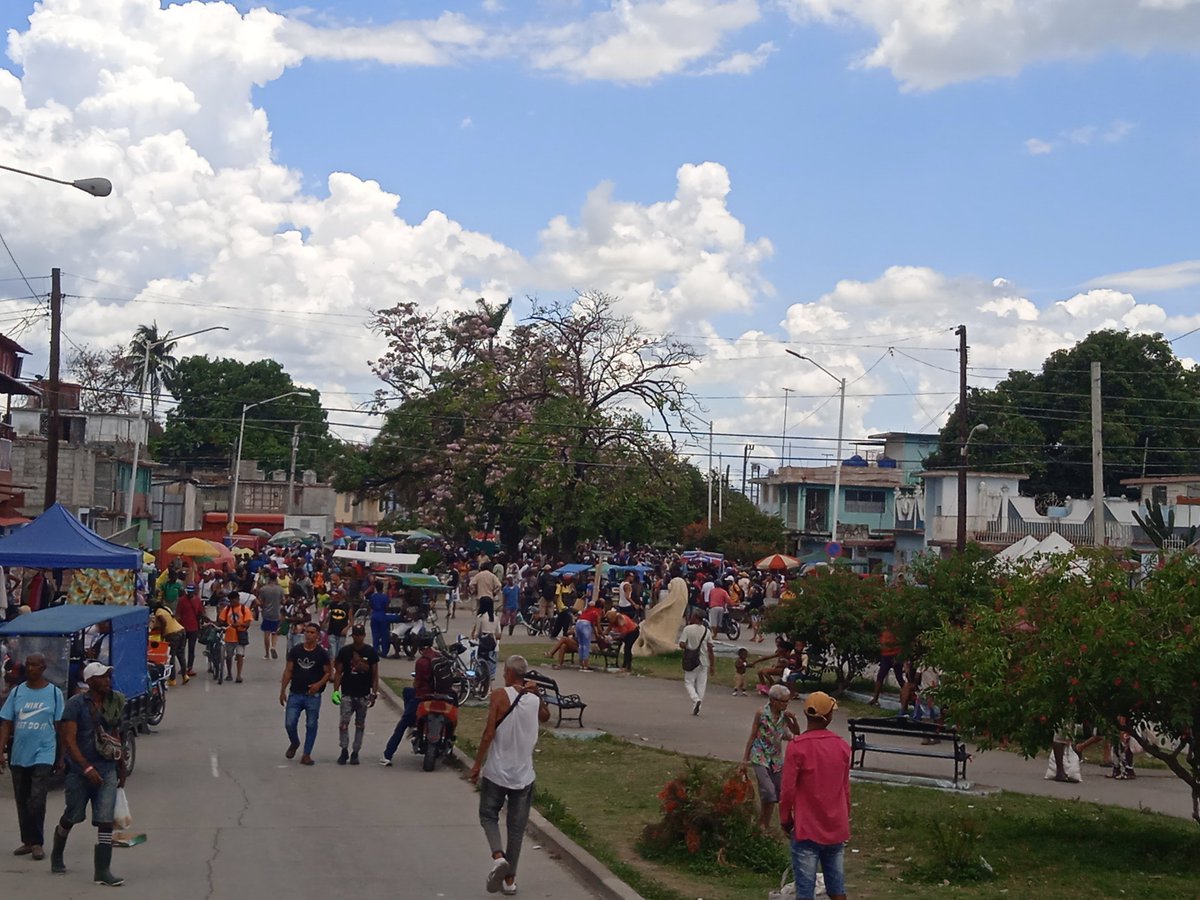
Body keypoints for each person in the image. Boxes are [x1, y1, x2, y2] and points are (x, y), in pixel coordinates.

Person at [468, 655, 550, 896]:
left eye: (505, 672)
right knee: (516, 827)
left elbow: (488, 733)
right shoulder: (534, 699)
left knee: (487, 814)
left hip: (496, 772)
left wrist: (476, 765)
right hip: (524, 775)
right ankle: (510, 880)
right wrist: (538, 695)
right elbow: (546, 717)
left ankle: (497, 857)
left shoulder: (499, 696)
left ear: (510, 673)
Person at [53, 661, 126, 885]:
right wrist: (86, 768)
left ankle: (102, 871)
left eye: (108, 677)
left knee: (105, 819)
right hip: (79, 771)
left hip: (106, 769)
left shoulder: (113, 702)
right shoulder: (76, 704)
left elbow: (115, 735)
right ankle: (57, 853)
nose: (107, 681)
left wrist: (121, 766)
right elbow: (69, 740)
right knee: (72, 815)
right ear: (91, 681)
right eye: (102, 677)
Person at [779, 691, 851, 900]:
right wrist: (846, 815)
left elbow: (788, 790)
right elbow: (845, 788)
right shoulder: (842, 746)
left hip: (806, 828)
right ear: (828, 717)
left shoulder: (797, 747)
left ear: (806, 715)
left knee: (805, 890)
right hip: (836, 826)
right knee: (837, 888)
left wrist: (785, 819)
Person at [0, 653, 64, 861]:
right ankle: (27, 841)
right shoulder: (17, 692)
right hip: (19, 754)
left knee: (37, 799)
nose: (30, 668)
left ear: (43, 667)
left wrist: (61, 757)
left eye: (35, 665)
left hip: (44, 752)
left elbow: (60, 727)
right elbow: (6, 723)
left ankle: (37, 843)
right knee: (22, 799)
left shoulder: (54, 693)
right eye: (28, 665)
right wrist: (1, 750)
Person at [740, 684, 801, 828]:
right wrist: (745, 759)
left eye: (787, 702)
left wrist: (793, 719)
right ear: (773, 700)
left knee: (777, 792)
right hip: (759, 755)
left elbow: (796, 733)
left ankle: (764, 824)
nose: (786, 704)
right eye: (783, 701)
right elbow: (753, 735)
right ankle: (762, 823)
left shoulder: (783, 716)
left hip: (775, 758)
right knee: (768, 790)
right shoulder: (761, 713)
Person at [379, 633, 439, 765]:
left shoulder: (422, 662)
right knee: (407, 692)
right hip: (439, 697)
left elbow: (417, 684)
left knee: (402, 724)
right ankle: (414, 723)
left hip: (423, 698)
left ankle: (388, 754)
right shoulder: (439, 657)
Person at [280, 623, 332, 766]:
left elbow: (328, 672)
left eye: (312, 632)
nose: (309, 635)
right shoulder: (296, 651)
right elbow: (288, 671)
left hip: (313, 696)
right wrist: (282, 690)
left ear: (317, 635)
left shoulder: (321, 653)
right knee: (290, 723)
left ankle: (306, 754)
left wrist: (318, 685)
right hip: (295, 693)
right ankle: (294, 742)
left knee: (311, 724)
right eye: (307, 632)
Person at [333, 624, 379, 766]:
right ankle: (344, 749)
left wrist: (374, 692)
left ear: (364, 635)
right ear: (352, 636)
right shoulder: (345, 651)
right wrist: (336, 691)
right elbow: (339, 672)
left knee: (360, 725)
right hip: (347, 693)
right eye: (355, 635)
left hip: (363, 694)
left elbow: (375, 674)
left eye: (360, 635)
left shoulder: (370, 652)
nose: (358, 637)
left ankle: (355, 752)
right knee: (344, 723)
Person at [679, 610, 715, 715]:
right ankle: (698, 706)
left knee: (689, 681)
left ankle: (695, 699)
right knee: (701, 684)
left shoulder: (688, 629)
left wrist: (689, 648)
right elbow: (710, 649)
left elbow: (681, 643)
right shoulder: (707, 631)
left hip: (691, 660)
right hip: (704, 661)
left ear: (695, 617)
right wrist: (712, 665)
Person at [150, 601, 188, 686]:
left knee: (171, 656)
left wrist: (163, 634)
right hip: (181, 630)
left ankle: (172, 679)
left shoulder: (158, 612)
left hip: (172, 634)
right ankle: (185, 675)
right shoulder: (166, 609)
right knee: (181, 654)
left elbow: (164, 622)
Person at [218, 591, 252, 683]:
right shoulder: (227, 609)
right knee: (229, 657)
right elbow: (221, 620)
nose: (233, 603)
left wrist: (240, 625)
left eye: (234, 601)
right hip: (229, 637)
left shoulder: (244, 609)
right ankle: (229, 673)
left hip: (240, 636)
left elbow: (248, 623)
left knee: (239, 655)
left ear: (238, 599)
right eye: (231, 601)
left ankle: (238, 675)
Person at [174, 582, 205, 677]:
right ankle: (183, 667)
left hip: (194, 628)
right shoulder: (181, 601)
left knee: (191, 649)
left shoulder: (198, 601)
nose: (190, 593)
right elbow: (178, 614)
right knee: (181, 649)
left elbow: (201, 613)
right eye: (189, 591)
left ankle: (189, 667)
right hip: (183, 628)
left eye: (192, 591)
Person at [868, 627, 904, 707]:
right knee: (880, 676)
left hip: (895, 654)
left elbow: (902, 640)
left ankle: (909, 697)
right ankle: (875, 699)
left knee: (899, 677)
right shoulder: (883, 626)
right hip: (885, 654)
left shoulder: (896, 626)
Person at [254, 570, 285, 660]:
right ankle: (273, 647)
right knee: (275, 633)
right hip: (277, 613)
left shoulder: (264, 589)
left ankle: (267, 654)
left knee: (266, 633)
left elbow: (261, 602)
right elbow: (283, 601)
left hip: (266, 613)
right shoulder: (280, 589)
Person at [606, 608, 640, 674]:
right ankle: (625, 665)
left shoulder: (620, 619)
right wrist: (603, 635)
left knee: (627, 648)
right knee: (626, 648)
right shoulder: (612, 621)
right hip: (626, 633)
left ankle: (627, 667)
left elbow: (623, 633)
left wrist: (614, 637)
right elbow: (608, 629)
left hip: (633, 632)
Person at [472, 606, 502, 681]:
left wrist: (473, 639)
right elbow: (499, 633)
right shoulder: (496, 617)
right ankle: (491, 676)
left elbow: (476, 632)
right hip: (492, 640)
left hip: (483, 641)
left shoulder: (481, 617)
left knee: (479, 658)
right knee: (492, 660)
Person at [324, 588, 352, 662]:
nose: (334, 596)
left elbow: (351, 621)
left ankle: (337, 667)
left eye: (336, 595)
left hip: (341, 632)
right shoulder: (332, 604)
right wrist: (325, 624)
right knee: (332, 652)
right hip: (332, 631)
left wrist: (346, 628)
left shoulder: (347, 606)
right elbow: (328, 616)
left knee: (339, 652)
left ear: (341, 595)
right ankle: (332, 667)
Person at [367, 580, 391, 657]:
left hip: (375, 615)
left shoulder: (373, 596)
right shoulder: (385, 597)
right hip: (383, 616)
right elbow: (387, 607)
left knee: (375, 634)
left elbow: (370, 605)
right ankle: (384, 652)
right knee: (384, 634)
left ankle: (375, 651)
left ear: (376, 588)